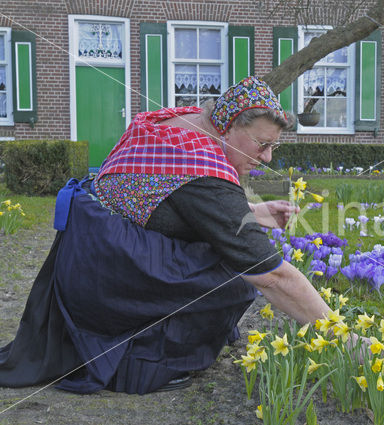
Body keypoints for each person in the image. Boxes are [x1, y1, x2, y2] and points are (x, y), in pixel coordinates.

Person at [0, 76, 331, 395]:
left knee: (224, 248)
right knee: (233, 276)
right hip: (105, 287)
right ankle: (144, 356)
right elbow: (272, 276)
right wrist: (340, 335)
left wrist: (255, 212)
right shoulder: (202, 169)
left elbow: (175, 198)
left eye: (273, 145)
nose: (268, 158)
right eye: (263, 144)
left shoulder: (175, 123)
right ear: (228, 128)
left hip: (85, 264)